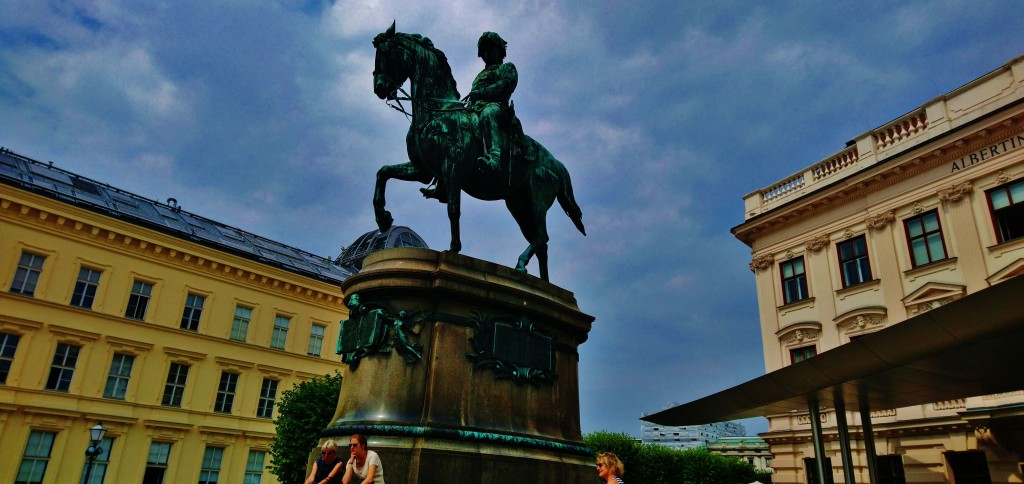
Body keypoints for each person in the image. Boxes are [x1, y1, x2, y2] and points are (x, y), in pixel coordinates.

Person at [464, 31, 518, 174]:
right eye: (484, 51)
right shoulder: (479, 76)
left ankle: (494, 159)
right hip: (476, 108)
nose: (487, 54)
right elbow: (473, 98)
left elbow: (503, 86)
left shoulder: (507, 68)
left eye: (491, 49)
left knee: (488, 113)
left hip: (498, 108)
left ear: (500, 50)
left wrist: (480, 93)